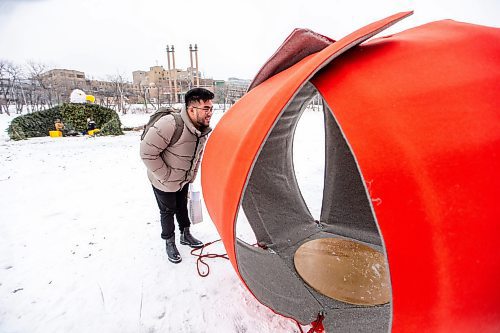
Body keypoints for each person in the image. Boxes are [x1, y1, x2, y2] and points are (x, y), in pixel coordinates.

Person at [140, 87, 214, 263]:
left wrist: (191, 176)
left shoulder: (202, 129)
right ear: (191, 109)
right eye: (206, 109)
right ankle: (169, 241)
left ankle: (185, 234)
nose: (210, 113)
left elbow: (197, 155)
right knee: (167, 211)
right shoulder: (170, 124)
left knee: (182, 206)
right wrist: (166, 176)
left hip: (183, 179)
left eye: (211, 108)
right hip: (163, 180)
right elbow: (147, 153)